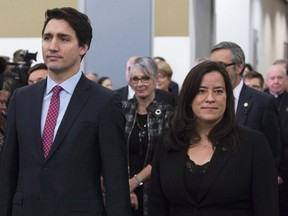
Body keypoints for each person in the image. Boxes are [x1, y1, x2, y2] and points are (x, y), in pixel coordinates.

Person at [0, 7, 131, 216]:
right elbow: (8, 171)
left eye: (63, 39)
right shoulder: (21, 99)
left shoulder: (105, 102)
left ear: (83, 46)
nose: (52, 46)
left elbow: (115, 182)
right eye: (47, 37)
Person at [149, 61, 279, 216]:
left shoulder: (253, 144)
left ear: (227, 97)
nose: (210, 98)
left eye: (218, 91)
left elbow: (267, 207)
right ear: (188, 97)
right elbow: (157, 205)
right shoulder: (168, 142)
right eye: (201, 91)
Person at [210, 41, 281, 167]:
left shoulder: (262, 103)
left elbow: (273, 149)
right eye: (211, 66)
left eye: (220, 66)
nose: (215, 72)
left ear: (239, 67)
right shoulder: (205, 100)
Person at [122, 57, 174, 216]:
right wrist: (125, 187)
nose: (140, 83)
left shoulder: (167, 112)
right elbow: (113, 152)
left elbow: (164, 156)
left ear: (155, 79)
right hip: (124, 191)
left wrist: (135, 181)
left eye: (145, 78)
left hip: (156, 192)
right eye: (135, 79)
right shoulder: (122, 110)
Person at [265, 64, 288, 216]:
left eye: (280, 77)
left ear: (286, 79)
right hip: (267, 163)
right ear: (267, 81)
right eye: (272, 78)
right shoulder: (261, 101)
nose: (276, 81)